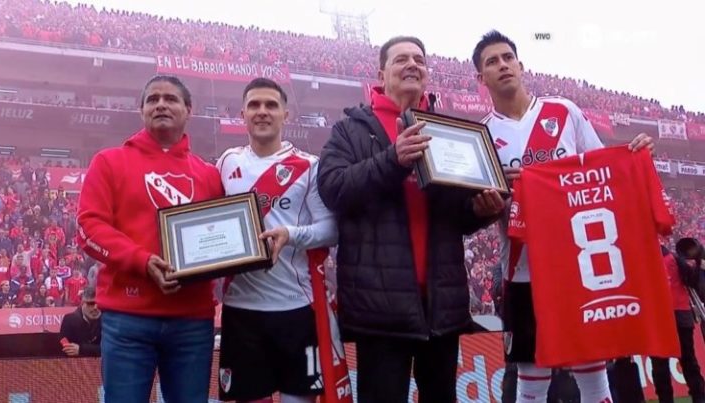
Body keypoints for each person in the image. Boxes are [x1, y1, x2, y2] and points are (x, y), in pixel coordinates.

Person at [317, 36, 505, 403]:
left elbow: (456, 214)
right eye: (401, 58)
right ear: (380, 73)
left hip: (441, 306)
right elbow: (333, 189)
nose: (412, 65)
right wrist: (393, 159)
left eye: (419, 59)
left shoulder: (448, 129)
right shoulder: (351, 130)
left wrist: (479, 211)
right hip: (380, 309)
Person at [472, 30, 654, 402]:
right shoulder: (482, 135)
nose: (503, 65)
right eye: (492, 61)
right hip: (522, 269)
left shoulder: (564, 112)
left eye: (508, 57)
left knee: (592, 371)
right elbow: (477, 206)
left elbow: (604, 168)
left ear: (521, 66)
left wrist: (633, 156)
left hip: (577, 266)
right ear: (481, 79)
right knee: (530, 377)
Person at [77, 75, 224, 403]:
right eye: (152, 99)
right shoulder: (109, 162)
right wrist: (142, 261)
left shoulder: (209, 175)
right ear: (141, 110)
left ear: (188, 110)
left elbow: (222, 238)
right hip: (127, 318)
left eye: (170, 99)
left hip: (192, 320)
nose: (161, 104)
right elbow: (89, 227)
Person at [215, 77, 338, 403]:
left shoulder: (309, 167)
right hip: (240, 309)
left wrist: (291, 235)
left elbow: (331, 230)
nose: (262, 112)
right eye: (254, 105)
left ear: (287, 114)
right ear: (242, 114)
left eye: (271, 105)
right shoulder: (228, 162)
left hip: (295, 309)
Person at [650, 241, 705, 403]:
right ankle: (699, 396)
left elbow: (693, 281)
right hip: (678, 315)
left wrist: (697, 263)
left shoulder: (665, 259)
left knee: (661, 364)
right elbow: (693, 281)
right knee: (687, 360)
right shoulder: (673, 258)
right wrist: (697, 263)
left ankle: (668, 399)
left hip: (660, 317)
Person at [59, 286, 102, 357]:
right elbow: (66, 350)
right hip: (76, 365)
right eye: (91, 303)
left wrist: (81, 349)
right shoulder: (69, 320)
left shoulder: (106, 321)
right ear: (82, 303)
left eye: (99, 303)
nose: (95, 308)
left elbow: (111, 350)